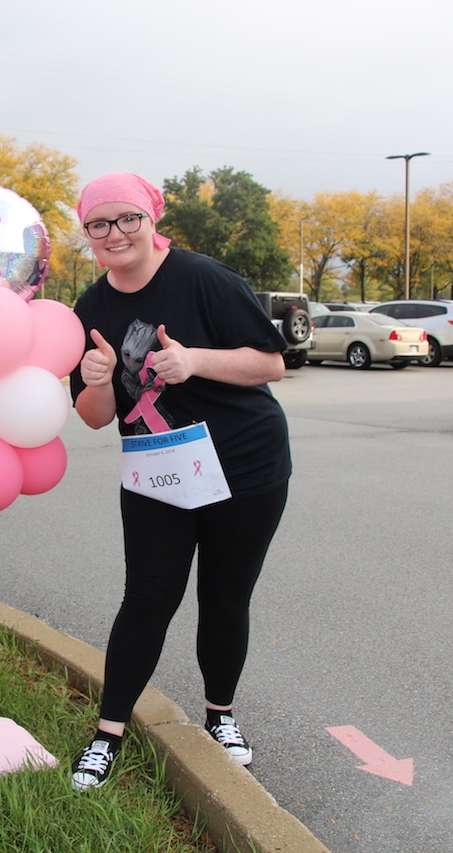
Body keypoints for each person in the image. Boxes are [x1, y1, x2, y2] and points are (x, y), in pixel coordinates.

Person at [67, 172, 292, 791]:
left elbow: (270, 361)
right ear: (86, 231)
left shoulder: (203, 279)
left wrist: (194, 361)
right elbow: (92, 418)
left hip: (244, 467)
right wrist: (96, 378)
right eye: (99, 223)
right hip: (157, 471)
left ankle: (220, 715)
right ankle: (108, 732)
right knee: (147, 597)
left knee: (224, 596)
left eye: (127, 219)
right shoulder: (90, 309)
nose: (115, 234)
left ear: (151, 218)